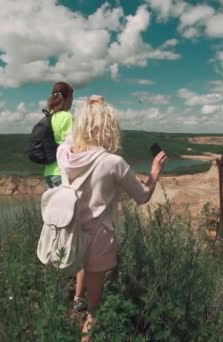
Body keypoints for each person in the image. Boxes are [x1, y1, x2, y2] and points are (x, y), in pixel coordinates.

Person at [56, 95, 167, 338]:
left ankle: (76, 301)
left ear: (82, 125)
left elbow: (68, 138)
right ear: (110, 127)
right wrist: (155, 172)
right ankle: (87, 334)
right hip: (99, 236)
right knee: (96, 308)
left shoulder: (64, 155)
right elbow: (143, 196)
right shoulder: (114, 163)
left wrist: (89, 106)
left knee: (81, 266)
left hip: (71, 232)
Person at [43, 81, 74, 188]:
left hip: (49, 172)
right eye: (71, 98)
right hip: (62, 172)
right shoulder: (67, 117)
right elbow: (74, 145)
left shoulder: (49, 116)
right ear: (66, 99)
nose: (72, 102)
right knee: (68, 204)